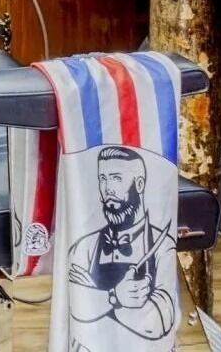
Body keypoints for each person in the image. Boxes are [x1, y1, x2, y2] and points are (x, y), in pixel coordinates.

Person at [65, 146, 177, 343]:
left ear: (140, 184)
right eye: (103, 179)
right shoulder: (84, 246)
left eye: (117, 178)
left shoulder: (162, 245)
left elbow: (158, 323)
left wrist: (95, 302)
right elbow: (76, 309)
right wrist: (116, 297)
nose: (108, 188)